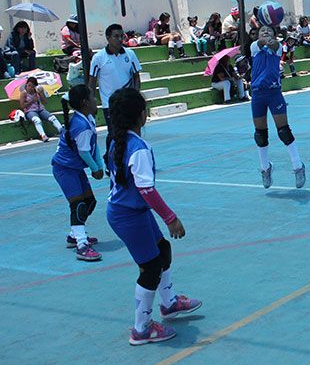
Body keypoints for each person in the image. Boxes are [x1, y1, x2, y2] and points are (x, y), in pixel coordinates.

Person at [105, 88, 201, 345]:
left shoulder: (118, 140)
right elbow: (146, 189)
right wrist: (170, 218)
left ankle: (169, 303)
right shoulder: (137, 148)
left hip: (130, 211)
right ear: (141, 115)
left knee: (162, 250)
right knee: (150, 269)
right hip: (128, 215)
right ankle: (141, 329)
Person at [51, 84, 104, 261]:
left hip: (74, 168)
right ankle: (81, 245)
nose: (95, 100)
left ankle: (74, 235)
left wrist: (99, 164)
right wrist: (95, 169)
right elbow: (83, 152)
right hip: (65, 169)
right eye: (92, 97)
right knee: (78, 205)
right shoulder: (81, 126)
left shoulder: (88, 119)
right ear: (84, 103)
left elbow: (93, 145)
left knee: (89, 202)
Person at [250, 25, 306, 188]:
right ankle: (265, 168)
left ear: (275, 34)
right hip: (257, 94)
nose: (265, 32)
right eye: (262, 30)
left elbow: (273, 45)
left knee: (284, 131)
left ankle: (298, 166)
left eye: (269, 30)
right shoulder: (255, 47)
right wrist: (264, 38)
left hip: (274, 93)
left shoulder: (278, 46)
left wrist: (272, 39)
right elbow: (261, 43)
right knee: (260, 134)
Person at [88, 24, 143, 161]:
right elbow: (92, 82)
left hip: (127, 102)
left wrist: (134, 96)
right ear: (108, 38)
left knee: (132, 132)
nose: (119, 39)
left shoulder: (130, 54)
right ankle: (110, 159)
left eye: (121, 36)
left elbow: (136, 76)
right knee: (113, 133)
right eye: (116, 36)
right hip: (110, 104)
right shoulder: (98, 58)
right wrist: (91, 104)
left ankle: (130, 157)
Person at [19, 77, 63, 141]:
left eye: (32, 86)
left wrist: (41, 93)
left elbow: (45, 102)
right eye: (29, 85)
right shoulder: (24, 93)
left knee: (52, 118)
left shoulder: (38, 91)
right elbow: (22, 106)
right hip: (30, 111)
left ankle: (61, 130)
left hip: (40, 109)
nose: (30, 88)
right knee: (37, 120)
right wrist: (32, 101)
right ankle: (43, 135)